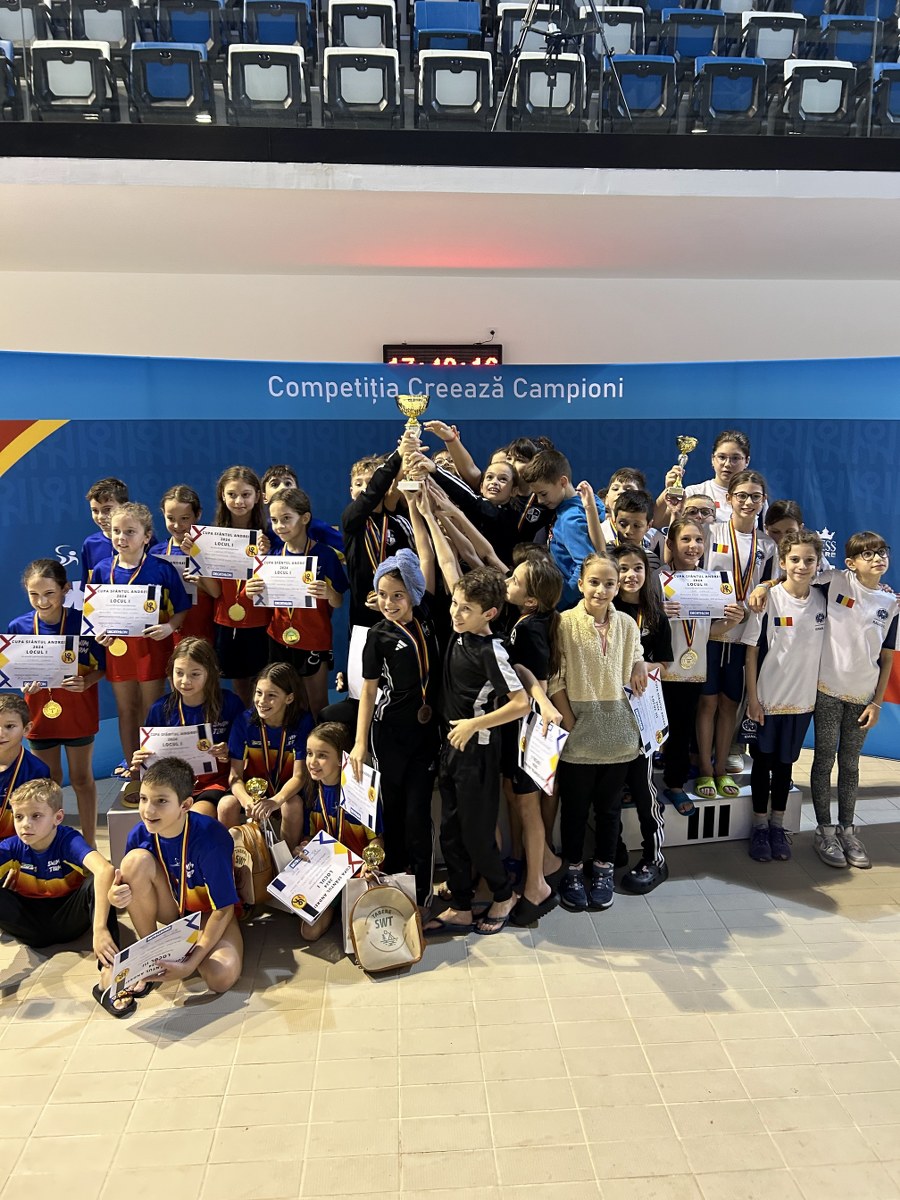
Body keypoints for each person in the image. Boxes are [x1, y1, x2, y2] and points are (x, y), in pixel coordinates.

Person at [428, 567, 531, 937]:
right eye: (455, 604)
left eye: (465, 609)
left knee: (476, 835)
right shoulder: (460, 634)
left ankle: (505, 895)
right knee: (451, 832)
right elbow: (447, 566)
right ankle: (460, 904)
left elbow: (520, 703)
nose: (455, 613)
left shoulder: (492, 651)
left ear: (489, 613)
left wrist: (474, 724)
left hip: (478, 753)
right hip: (452, 747)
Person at [549, 553, 646, 912]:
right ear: (580, 583)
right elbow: (555, 677)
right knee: (574, 809)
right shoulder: (564, 623)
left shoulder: (627, 624)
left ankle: (604, 868)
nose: (601, 590)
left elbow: (636, 655)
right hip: (579, 736)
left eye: (609, 583)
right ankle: (573, 870)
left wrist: (639, 663)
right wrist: (569, 722)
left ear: (618, 587)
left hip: (619, 736)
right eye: (594, 582)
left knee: (609, 810)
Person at [107, 757, 243, 1000]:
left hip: (209, 914)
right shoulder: (139, 834)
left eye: (161, 801)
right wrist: (115, 896)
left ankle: (190, 951)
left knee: (220, 977)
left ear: (185, 805)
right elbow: (127, 888)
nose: (148, 810)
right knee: (134, 861)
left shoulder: (210, 839)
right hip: (172, 909)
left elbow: (224, 909)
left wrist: (192, 962)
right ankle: (150, 955)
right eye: (144, 799)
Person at [350, 545, 440, 910]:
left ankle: (423, 897)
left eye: (398, 595)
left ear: (413, 594)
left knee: (418, 815)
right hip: (388, 737)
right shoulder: (378, 636)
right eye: (383, 595)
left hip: (426, 736)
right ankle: (397, 886)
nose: (388, 603)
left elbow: (429, 560)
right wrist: (360, 744)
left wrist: (425, 515)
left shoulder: (429, 617)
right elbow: (369, 692)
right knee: (395, 814)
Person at [808, 532, 897, 868]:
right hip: (827, 691)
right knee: (823, 761)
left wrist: (876, 703)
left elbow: (886, 657)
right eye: (868, 554)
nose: (877, 558)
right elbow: (795, 581)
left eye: (882, 552)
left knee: (850, 765)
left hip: (863, 698)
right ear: (851, 562)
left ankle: (847, 830)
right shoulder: (834, 581)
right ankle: (824, 831)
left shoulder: (891, 603)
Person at [8, 559, 105, 846]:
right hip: (39, 715)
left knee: (82, 779)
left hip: (79, 712)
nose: (42, 601)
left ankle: (89, 845)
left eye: (49, 593)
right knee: (48, 783)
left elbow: (102, 667)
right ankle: (52, 846)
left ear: (65, 589)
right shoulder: (19, 626)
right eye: (34, 594)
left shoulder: (84, 622)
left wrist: (87, 682)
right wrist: (24, 683)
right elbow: (15, 671)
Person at [744, 531, 826, 863]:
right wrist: (753, 699)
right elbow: (751, 653)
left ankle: (777, 827)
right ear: (782, 562)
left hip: (802, 702)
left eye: (809, 560)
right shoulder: (768, 600)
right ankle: (759, 827)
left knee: (785, 766)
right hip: (768, 699)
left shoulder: (822, 599)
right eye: (794, 559)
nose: (802, 566)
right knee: (762, 764)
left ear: (818, 563)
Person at [0, 780, 119, 1008]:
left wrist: (100, 929)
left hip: (70, 918)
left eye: (36, 816)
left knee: (98, 883)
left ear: (58, 817)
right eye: (19, 817)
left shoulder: (68, 840)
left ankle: (109, 970)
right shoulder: (12, 846)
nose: (26, 824)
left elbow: (105, 870)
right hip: (31, 925)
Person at [695, 470, 775, 801]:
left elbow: (774, 579)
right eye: (741, 495)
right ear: (729, 498)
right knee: (707, 703)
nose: (748, 502)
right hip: (711, 632)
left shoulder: (768, 545)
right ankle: (704, 768)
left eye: (755, 496)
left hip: (743, 635)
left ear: (763, 501)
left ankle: (720, 768)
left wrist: (765, 585)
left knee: (730, 703)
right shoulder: (709, 531)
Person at [93, 502, 191, 765]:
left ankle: (154, 770)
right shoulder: (102, 569)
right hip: (117, 650)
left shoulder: (161, 569)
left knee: (152, 709)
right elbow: (94, 615)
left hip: (152, 649)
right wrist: (99, 633)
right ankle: (134, 770)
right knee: (126, 710)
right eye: (116, 531)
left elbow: (182, 608)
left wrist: (169, 627)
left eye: (130, 532)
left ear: (147, 537)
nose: (121, 538)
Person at [659, 518, 745, 816]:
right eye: (685, 539)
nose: (693, 546)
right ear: (670, 544)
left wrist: (731, 622)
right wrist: (659, 611)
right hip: (660, 668)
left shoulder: (711, 582)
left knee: (682, 731)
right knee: (651, 731)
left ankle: (675, 784)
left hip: (693, 669)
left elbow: (710, 631)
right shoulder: (658, 579)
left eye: (698, 540)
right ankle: (636, 784)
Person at [502, 552, 567, 924]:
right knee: (518, 799)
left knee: (527, 806)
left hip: (529, 731)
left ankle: (536, 885)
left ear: (530, 599)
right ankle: (547, 862)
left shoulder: (530, 628)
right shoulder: (528, 619)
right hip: (522, 728)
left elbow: (535, 683)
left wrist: (537, 700)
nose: (507, 582)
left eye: (514, 581)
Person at [246, 487, 348, 717]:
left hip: (314, 638)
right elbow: (258, 597)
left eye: (286, 518)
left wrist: (329, 593)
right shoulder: (271, 555)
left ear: (305, 518)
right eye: (274, 520)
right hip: (278, 637)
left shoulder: (325, 555)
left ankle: (320, 740)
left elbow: (339, 601)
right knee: (282, 703)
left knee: (317, 703)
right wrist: (250, 591)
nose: (279, 526)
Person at [610, 542, 673, 893]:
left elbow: (664, 665)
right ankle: (611, 850)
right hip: (606, 715)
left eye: (637, 568)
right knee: (607, 790)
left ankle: (655, 857)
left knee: (642, 788)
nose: (630, 575)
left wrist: (640, 666)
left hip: (640, 716)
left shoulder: (655, 616)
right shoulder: (603, 610)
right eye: (623, 568)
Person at [131, 638, 245, 817]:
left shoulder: (229, 703)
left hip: (213, 783)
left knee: (193, 817)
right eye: (179, 673)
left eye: (195, 674)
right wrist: (141, 760)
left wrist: (227, 751)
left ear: (210, 673)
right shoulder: (160, 709)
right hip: (171, 785)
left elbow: (246, 746)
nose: (185, 681)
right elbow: (150, 758)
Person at [189, 466, 271, 708]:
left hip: (262, 621)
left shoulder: (270, 534)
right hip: (226, 620)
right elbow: (215, 592)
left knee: (265, 683)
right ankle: (247, 725)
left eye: (246, 494)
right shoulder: (211, 538)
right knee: (241, 685)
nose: (239, 501)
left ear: (257, 496)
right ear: (222, 497)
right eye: (232, 495)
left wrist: (268, 554)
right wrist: (197, 558)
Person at [298, 722, 382, 943]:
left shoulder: (361, 791)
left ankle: (347, 905)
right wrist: (304, 847)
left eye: (322, 756)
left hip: (359, 872)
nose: (312, 762)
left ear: (340, 759)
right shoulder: (311, 790)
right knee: (309, 933)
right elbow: (310, 836)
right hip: (329, 874)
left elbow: (377, 840)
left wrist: (371, 863)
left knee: (358, 938)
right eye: (309, 753)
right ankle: (336, 905)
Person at [342, 446, 415, 699]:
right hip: (363, 614)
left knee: (399, 680)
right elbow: (371, 495)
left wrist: (407, 454)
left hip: (398, 611)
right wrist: (398, 453)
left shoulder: (398, 520)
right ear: (350, 491)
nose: (365, 488)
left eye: (370, 481)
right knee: (362, 686)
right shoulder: (352, 520)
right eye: (358, 483)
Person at [219, 662, 313, 848]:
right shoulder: (244, 722)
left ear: (289, 698)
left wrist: (275, 801)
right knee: (226, 805)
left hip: (285, 792)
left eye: (271, 695)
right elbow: (235, 776)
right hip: (252, 792)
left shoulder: (302, 722)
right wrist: (247, 801)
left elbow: (300, 776)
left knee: (293, 805)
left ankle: (288, 860)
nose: (262, 701)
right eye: (259, 693)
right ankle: (232, 859)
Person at [519, 449, 602, 610]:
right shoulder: (588, 502)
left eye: (543, 494)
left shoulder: (570, 519)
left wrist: (560, 600)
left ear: (563, 482)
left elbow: (586, 564)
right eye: (536, 495)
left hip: (569, 606)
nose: (540, 501)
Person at [153, 485, 216, 645]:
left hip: (201, 629)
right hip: (167, 631)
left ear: (198, 514)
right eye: (171, 518)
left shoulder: (209, 551)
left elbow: (216, 594)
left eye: (184, 518)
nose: (177, 525)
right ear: (163, 514)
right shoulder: (156, 553)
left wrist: (200, 580)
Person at [656, 430, 753, 527]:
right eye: (722, 457)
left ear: (747, 461)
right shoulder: (693, 492)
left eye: (735, 458)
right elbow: (657, 523)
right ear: (712, 459)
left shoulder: (754, 497)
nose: (727, 464)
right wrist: (668, 490)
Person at [0, 695, 51, 840]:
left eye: (9, 726)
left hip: (17, 845)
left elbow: (38, 823)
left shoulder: (37, 771)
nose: (1, 733)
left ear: (27, 729)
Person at [80, 476, 128, 589]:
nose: (100, 517)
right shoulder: (90, 544)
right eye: (95, 511)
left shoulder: (142, 540)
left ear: (125, 506)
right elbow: (88, 588)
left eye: (107, 509)